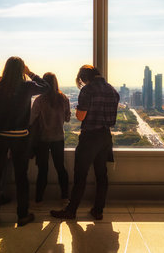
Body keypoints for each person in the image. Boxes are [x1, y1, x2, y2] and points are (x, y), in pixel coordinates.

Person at [0, 56, 49, 228]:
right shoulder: (27, 86)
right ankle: (22, 215)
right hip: (20, 137)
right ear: (21, 70)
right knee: (21, 177)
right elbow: (46, 87)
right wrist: (30, 72)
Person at [50, 65, 119, 221]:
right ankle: (98, 210)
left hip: (90, 137)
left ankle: (71, 210)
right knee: (102, 175)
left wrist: (77, 109)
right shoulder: (112, 90)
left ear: (84, 77)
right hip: (105, 137)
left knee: (80, 175)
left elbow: (81, 117)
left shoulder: (88, 90)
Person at [30, 72, 71, 204]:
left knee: (42, 170)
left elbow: (31, 120)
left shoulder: (39, 100)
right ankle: (65, 197)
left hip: (42, 138)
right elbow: (67, 118)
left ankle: (39, 199)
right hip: (58, 137)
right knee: (60, 168)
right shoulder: (63, 98)